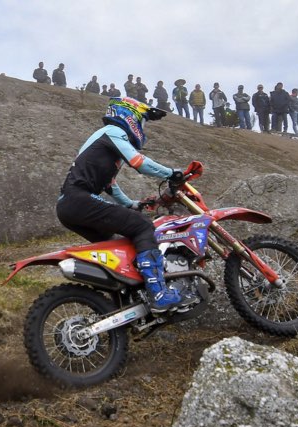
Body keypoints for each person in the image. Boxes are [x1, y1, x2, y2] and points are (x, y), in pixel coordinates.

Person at [56, 97, 194, 313]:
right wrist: (173, 173)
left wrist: (133, 204)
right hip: (78, 199)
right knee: (142, 226)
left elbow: (111, 186)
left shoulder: (104, 142)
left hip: (68, 206)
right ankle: (158, 294)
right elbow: (139, 162)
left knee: (119, 248)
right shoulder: (112, 132)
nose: (142, 126)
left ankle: (124, 302)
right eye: (142, 120)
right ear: (129, 116)